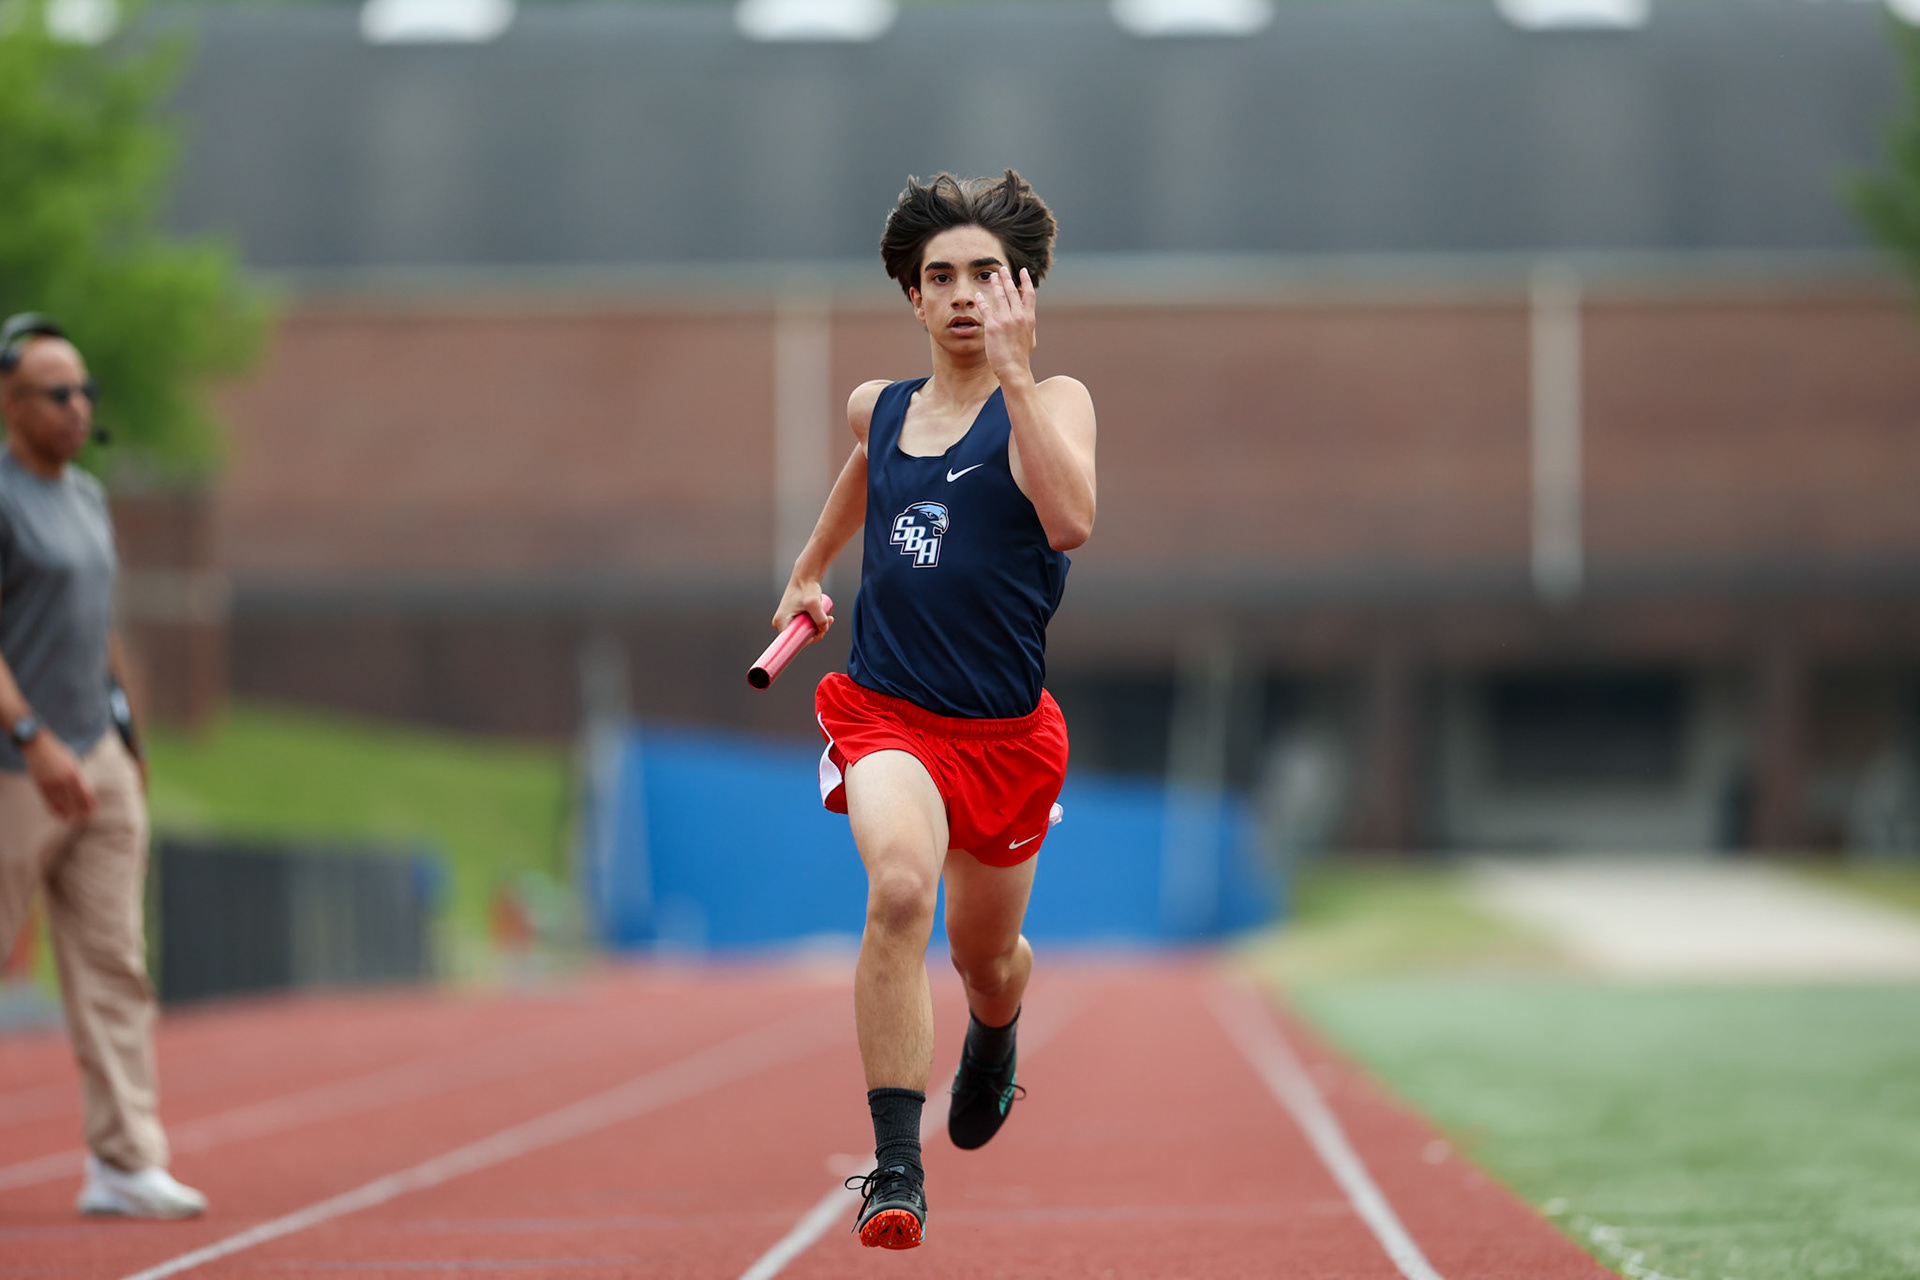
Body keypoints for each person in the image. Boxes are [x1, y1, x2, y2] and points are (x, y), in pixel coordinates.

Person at [771, 170, 1096, 1250]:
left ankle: (995, 1037)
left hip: (1004, 737)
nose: (964, 295)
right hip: (888, 714)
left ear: (1025, 289)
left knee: (984, 954)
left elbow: (1071, 519)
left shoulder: (1056, 405)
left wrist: (1015, 373)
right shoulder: (885, 405)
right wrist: (811, 566)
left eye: (987, 277)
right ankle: (896, 1167)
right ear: (913, 296)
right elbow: (867, 467)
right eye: (941, 277)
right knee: (900, 888)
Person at [0, 314, 207, 1219]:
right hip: (16, 767)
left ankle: (124, 1161)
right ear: (10, 403)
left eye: (86, 391)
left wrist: (127, 736)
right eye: (58, 392)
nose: (79, 407)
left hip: (100, 758)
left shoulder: (86, 497)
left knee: (115, 963)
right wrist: (31, 738)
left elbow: (98, 628)